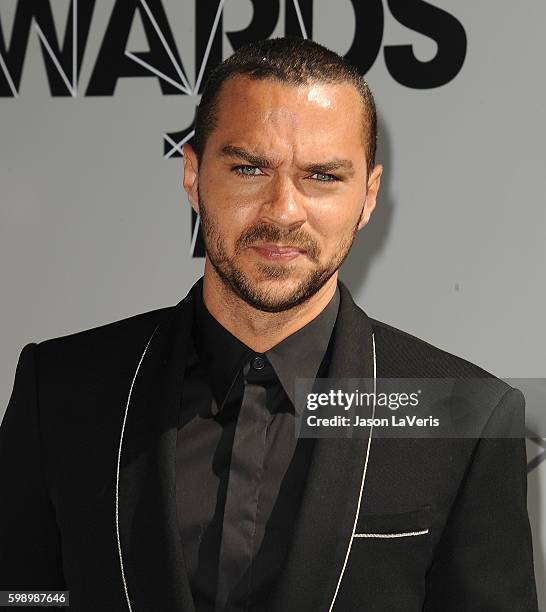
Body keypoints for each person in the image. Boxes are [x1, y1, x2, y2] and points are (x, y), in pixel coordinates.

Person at [0, 37, 538, 612]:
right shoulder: (63, 389)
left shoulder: (462, 413)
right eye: (250, 168)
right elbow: (22, 595)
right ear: (193, 177)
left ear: (369, 197)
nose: (282, 210)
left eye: (323, 176)